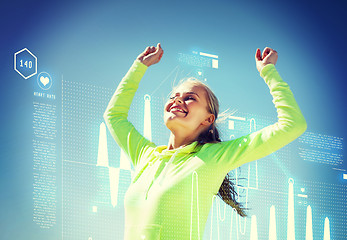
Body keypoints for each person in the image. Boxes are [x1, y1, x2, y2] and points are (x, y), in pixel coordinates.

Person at [103, 43, 307, 239]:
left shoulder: (214, 157)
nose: (177, 100)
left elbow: (292, 124)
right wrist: (139, 67)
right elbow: (113, 116)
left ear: (208, 119)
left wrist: (268, 71)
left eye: (190, 98)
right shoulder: (145, 156)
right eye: (173, 96)